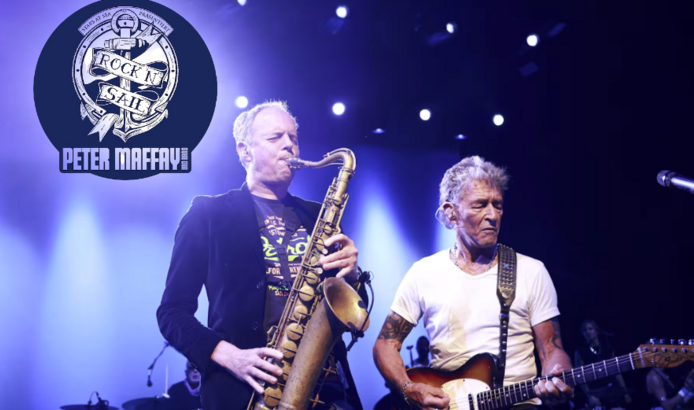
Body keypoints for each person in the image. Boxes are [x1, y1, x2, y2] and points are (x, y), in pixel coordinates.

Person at [157, 101, 367, 410]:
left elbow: (351, 310)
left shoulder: (318, 216)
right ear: (245, 151)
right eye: (275, 137)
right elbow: (172, 313)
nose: (289, 145)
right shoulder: (208, 214)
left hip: (327, 389)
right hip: (248, 392)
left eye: (293, 137)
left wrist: (352, 274)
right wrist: (230, 356)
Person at [372, 156, 574, 409]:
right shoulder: (423, 273)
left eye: (497, 205)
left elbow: (551, 349)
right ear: (451, 212)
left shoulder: (531, 271)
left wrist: (558, 373)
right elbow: (385, 344)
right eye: (480, 205)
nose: (492, 215)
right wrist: (407, 388)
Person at [573, 320, 631, 409]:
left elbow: (616, 371)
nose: (588, 332)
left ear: (597, 330)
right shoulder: (580, 352)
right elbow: (579, 377)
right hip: (595, 392)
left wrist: (625, 392)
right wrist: (590, 396)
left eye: (590, 329)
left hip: (612, 390)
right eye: (585, 330)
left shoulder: (607, 347)